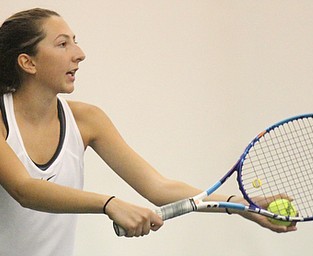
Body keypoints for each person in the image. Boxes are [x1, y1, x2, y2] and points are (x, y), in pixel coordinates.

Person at [0, 8, 297, 256]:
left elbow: (158, 187)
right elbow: (24, 190)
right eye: (63, 44)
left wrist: (242, 205)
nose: (79, 54)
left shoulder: (86, 120)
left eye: (75, 41)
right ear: (28, 62)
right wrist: (109, 204)